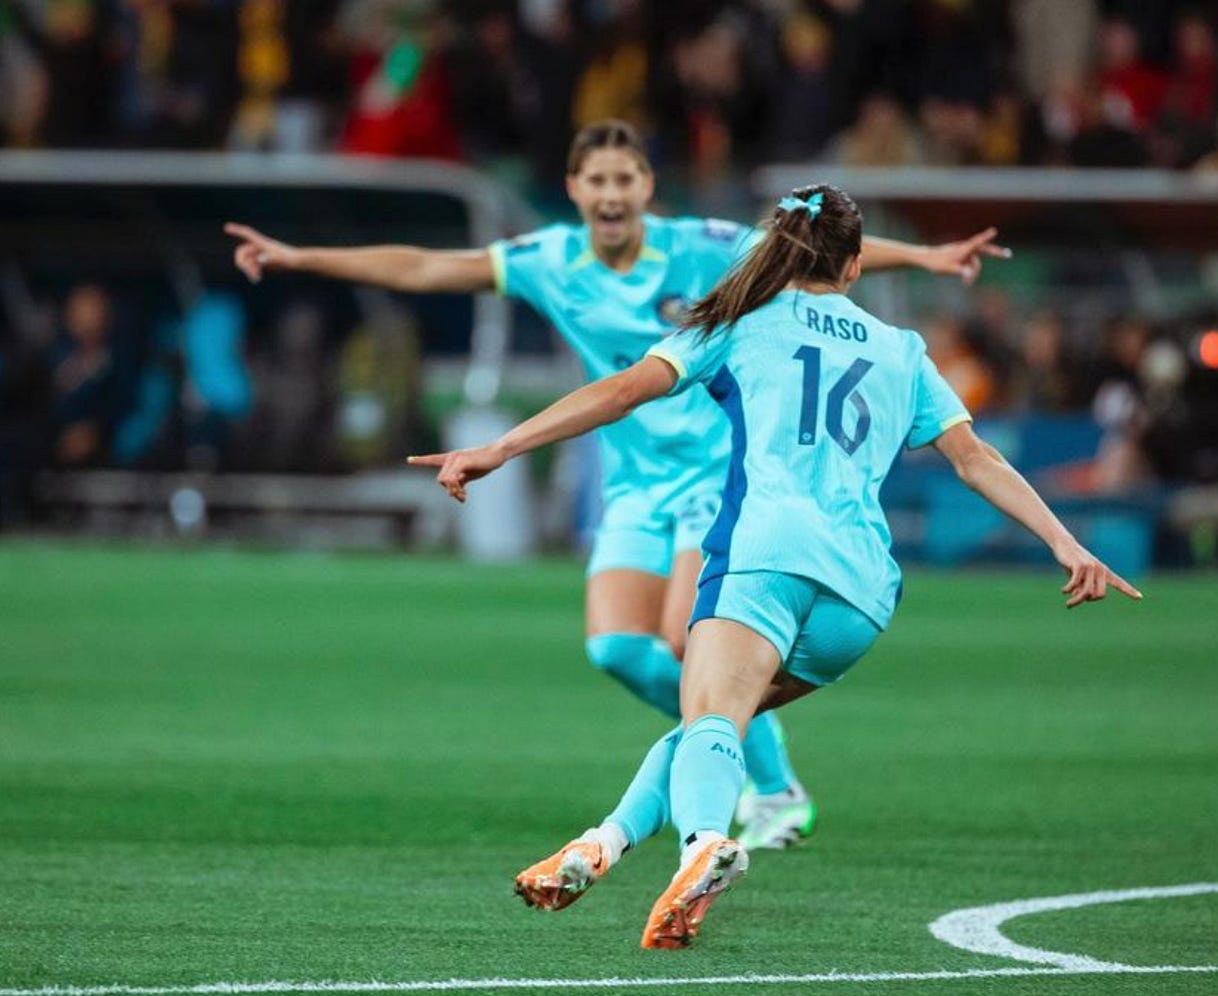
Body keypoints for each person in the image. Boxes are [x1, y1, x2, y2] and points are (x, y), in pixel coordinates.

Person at [224, 119, 1009, 850]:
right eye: (596, 179)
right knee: (615, 650)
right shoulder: (547, 262)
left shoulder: (702, 247)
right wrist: (300, 258)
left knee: (683, 636)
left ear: (646, 187)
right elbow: (427, 266)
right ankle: (733, 750)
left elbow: (815, 250)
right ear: (574, 190)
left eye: (624, 178)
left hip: (723, 474)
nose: (610, 194)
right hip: (634, 479)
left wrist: (930, 257)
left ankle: (766, 786)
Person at [406, 184, 1140, 948]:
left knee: (713, 718)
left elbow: (625, 392)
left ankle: (702, 849)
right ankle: (603, 842)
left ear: (779, 251)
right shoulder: (902, 349)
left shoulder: (742, 322)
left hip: (765, 557)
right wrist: (1066, 542)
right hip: (859, 595)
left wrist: (500, 447)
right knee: (713, 724)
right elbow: (975, 458)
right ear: (854, 268)